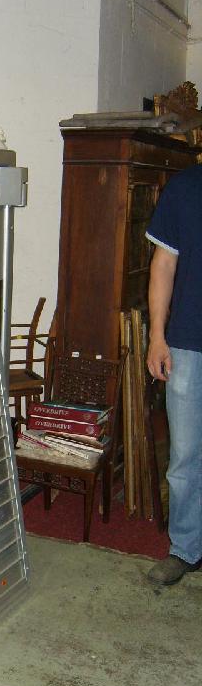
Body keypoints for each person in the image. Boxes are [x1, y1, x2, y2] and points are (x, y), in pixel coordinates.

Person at [145, 163, 202, 586]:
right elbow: (163, 265)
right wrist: (157, 337)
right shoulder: (183, 188)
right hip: (187, 342)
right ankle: (185, 549)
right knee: (185, 457)